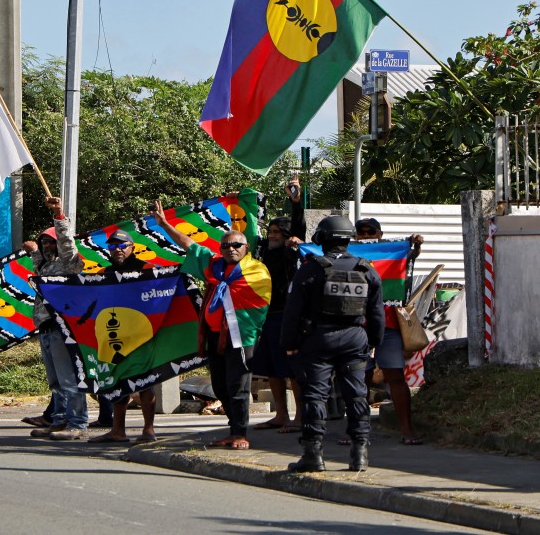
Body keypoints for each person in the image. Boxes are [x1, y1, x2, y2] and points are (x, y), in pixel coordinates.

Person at [153, 204, 269, 451]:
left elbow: (261, 304)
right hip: (215, 336)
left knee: (238, 387)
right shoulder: (215, 268)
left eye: (236, 245)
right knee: (219, 386)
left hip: (241, 338)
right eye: (225, 245)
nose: (230, 249)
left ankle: (240, 433)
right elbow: (189, 245)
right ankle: (232, 428)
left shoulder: (256, 271)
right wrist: (164, 225)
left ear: (246, 248)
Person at [282, 216, 385, 472]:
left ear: (322, 238)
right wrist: (373, 342)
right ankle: (360, 454)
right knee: (357, 396)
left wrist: (289, 343)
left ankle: (313, 455)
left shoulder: (311, 269)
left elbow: (293, 311)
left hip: (318, 340)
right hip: (354, 340)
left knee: (315, 396)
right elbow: (377, 313)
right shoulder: (366, 269)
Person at [353, 217, 426, 446]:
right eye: (361, 233)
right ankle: (356, 431)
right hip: (359, 327)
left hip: (390, 325)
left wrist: (416, 245)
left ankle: (407, 428)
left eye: (371, 232)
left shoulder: (390, 255)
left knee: (395, 376)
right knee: (359, 379)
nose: (366, 236)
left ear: (380, 235)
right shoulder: (349, 257)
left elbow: (409, 259)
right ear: (355, 237)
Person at [88, 230, 158, 445]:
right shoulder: (104, 272)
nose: (117, 249)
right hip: (114, 336)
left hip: (142, 336)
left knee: (146, 382)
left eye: (122, 245)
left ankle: (149, 429)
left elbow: (159, 297)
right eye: (112, 246)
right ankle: (118, 430)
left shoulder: (147, 269)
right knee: (118, 381)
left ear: (132, 247)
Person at [30, 196, 90, 442]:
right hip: (45, 328)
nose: (47, 246)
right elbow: (37, 260)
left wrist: (58, 217)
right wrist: (34, 250)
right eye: (43, 242)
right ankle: (59, 420)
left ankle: (77, 423)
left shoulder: (68, 264)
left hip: (63, 328)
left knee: (69, 379)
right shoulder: (44, 268)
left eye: (50, 242)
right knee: (55, 381)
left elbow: (67, 245)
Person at [250, 178, 307, 434]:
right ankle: (280, 415)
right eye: (270, 232)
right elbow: (247, 229)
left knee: (291, 370)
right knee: (271, 369)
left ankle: (300, 417)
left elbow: (299, 228)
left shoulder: (290, 252)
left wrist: (296, 203)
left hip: (287, 316)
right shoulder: (263, 251)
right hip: (267, 316)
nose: (271, 236)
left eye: (276, 233)